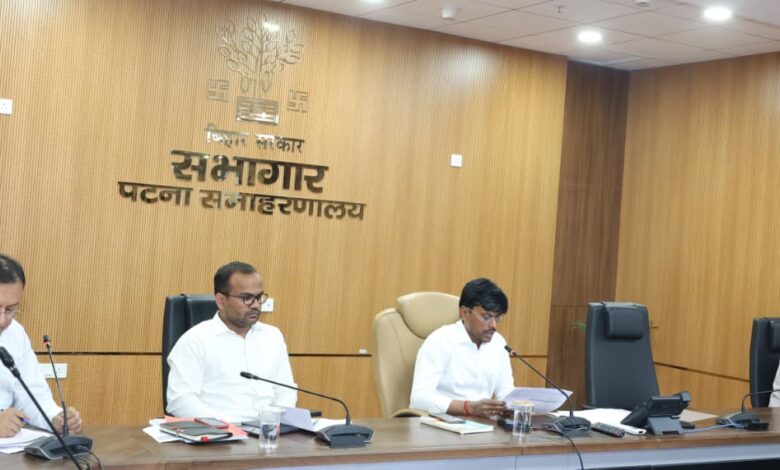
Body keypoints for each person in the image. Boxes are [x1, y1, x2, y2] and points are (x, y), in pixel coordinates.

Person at [166, 261, 296, 421]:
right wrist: (226, 425)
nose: (256, 305)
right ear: (221, 301)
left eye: (258, 297)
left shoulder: (273, 336)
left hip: (268, 430)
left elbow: (285, 391)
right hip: (220, 431)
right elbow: (180, 400)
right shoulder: (195, 340)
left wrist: (276, 423)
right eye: (246, 298)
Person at [0, 254, 83, 438]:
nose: (3, 320)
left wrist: (55, 419)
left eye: (10, 309)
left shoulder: (15, 333)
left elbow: (31, 395)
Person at [409, 277, 514, 417]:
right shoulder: (440, 340)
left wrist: (517, 406)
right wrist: (468, 408)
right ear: (464, 313)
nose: (493, 325)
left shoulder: (498, 343)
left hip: (484, 425)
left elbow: (506, 393)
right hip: (442, 422)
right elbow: (419, 398)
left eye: (498, 318)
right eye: (487, 317)